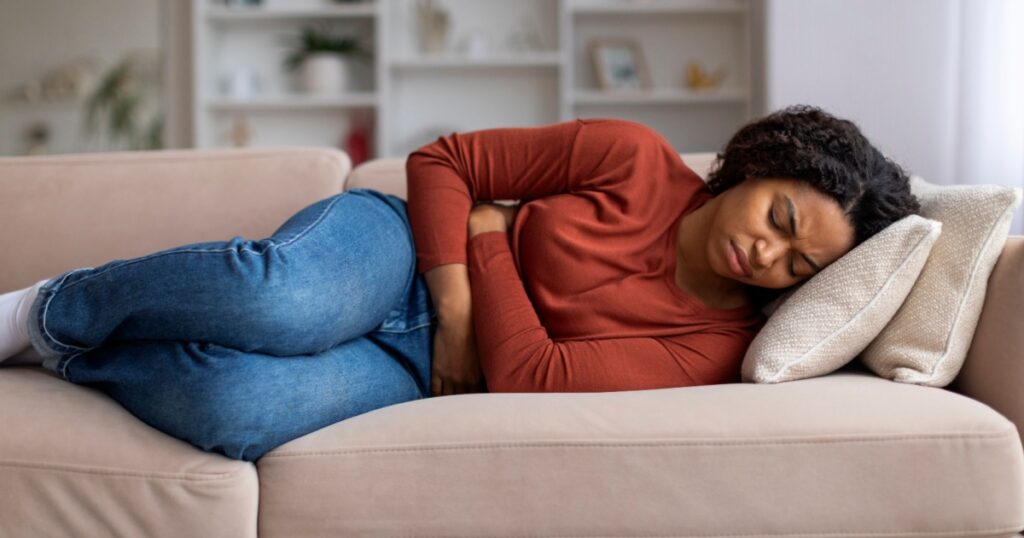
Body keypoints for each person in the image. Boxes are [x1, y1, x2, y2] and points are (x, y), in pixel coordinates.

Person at [0, 104, 920, 461]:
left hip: (427, 368)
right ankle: (49, 307)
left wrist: (492, 238)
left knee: (238, 410)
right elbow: (442, 163)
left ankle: (72, 354)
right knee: (281, 301)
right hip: (399, 250)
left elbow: (536, 378)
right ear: (756, 169)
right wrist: (458, 298)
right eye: (781, 221)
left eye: (800, 267)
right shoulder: (634, 159)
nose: (769, 257)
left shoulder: (719, 344)